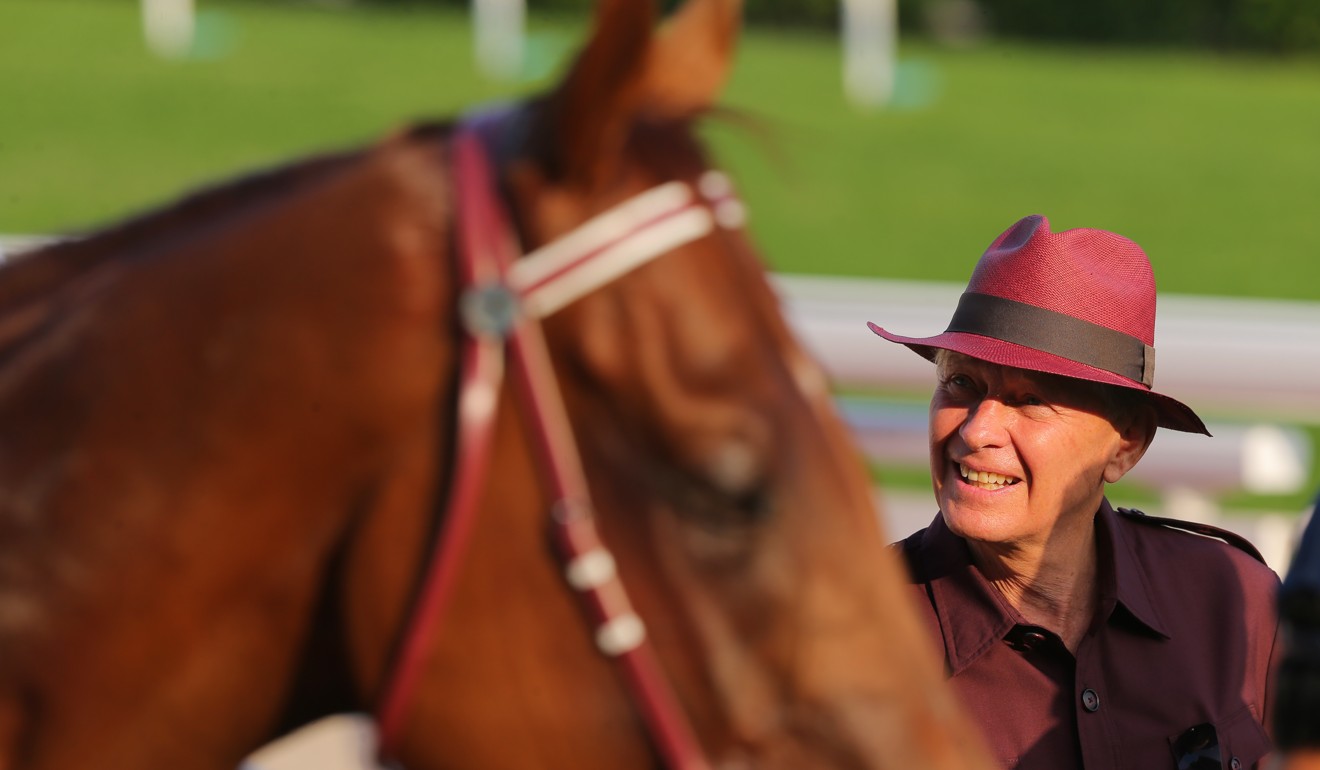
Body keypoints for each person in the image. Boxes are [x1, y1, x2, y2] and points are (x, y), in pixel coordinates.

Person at [868, 214, 1281, 769]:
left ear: (1126, 443)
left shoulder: (1236, 604)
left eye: (1031, 399)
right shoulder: (847, 639)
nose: (976, 431)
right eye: (961, 383)